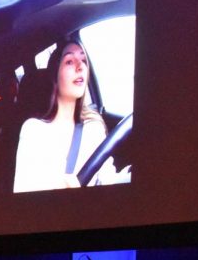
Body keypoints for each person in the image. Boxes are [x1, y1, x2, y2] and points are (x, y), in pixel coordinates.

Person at [12, 39, 129, 193]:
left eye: (83, 60)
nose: (80, 66)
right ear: (55, 75)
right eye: (69, 61)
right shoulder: (34, 130)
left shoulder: (94, 127)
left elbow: (106, 180)